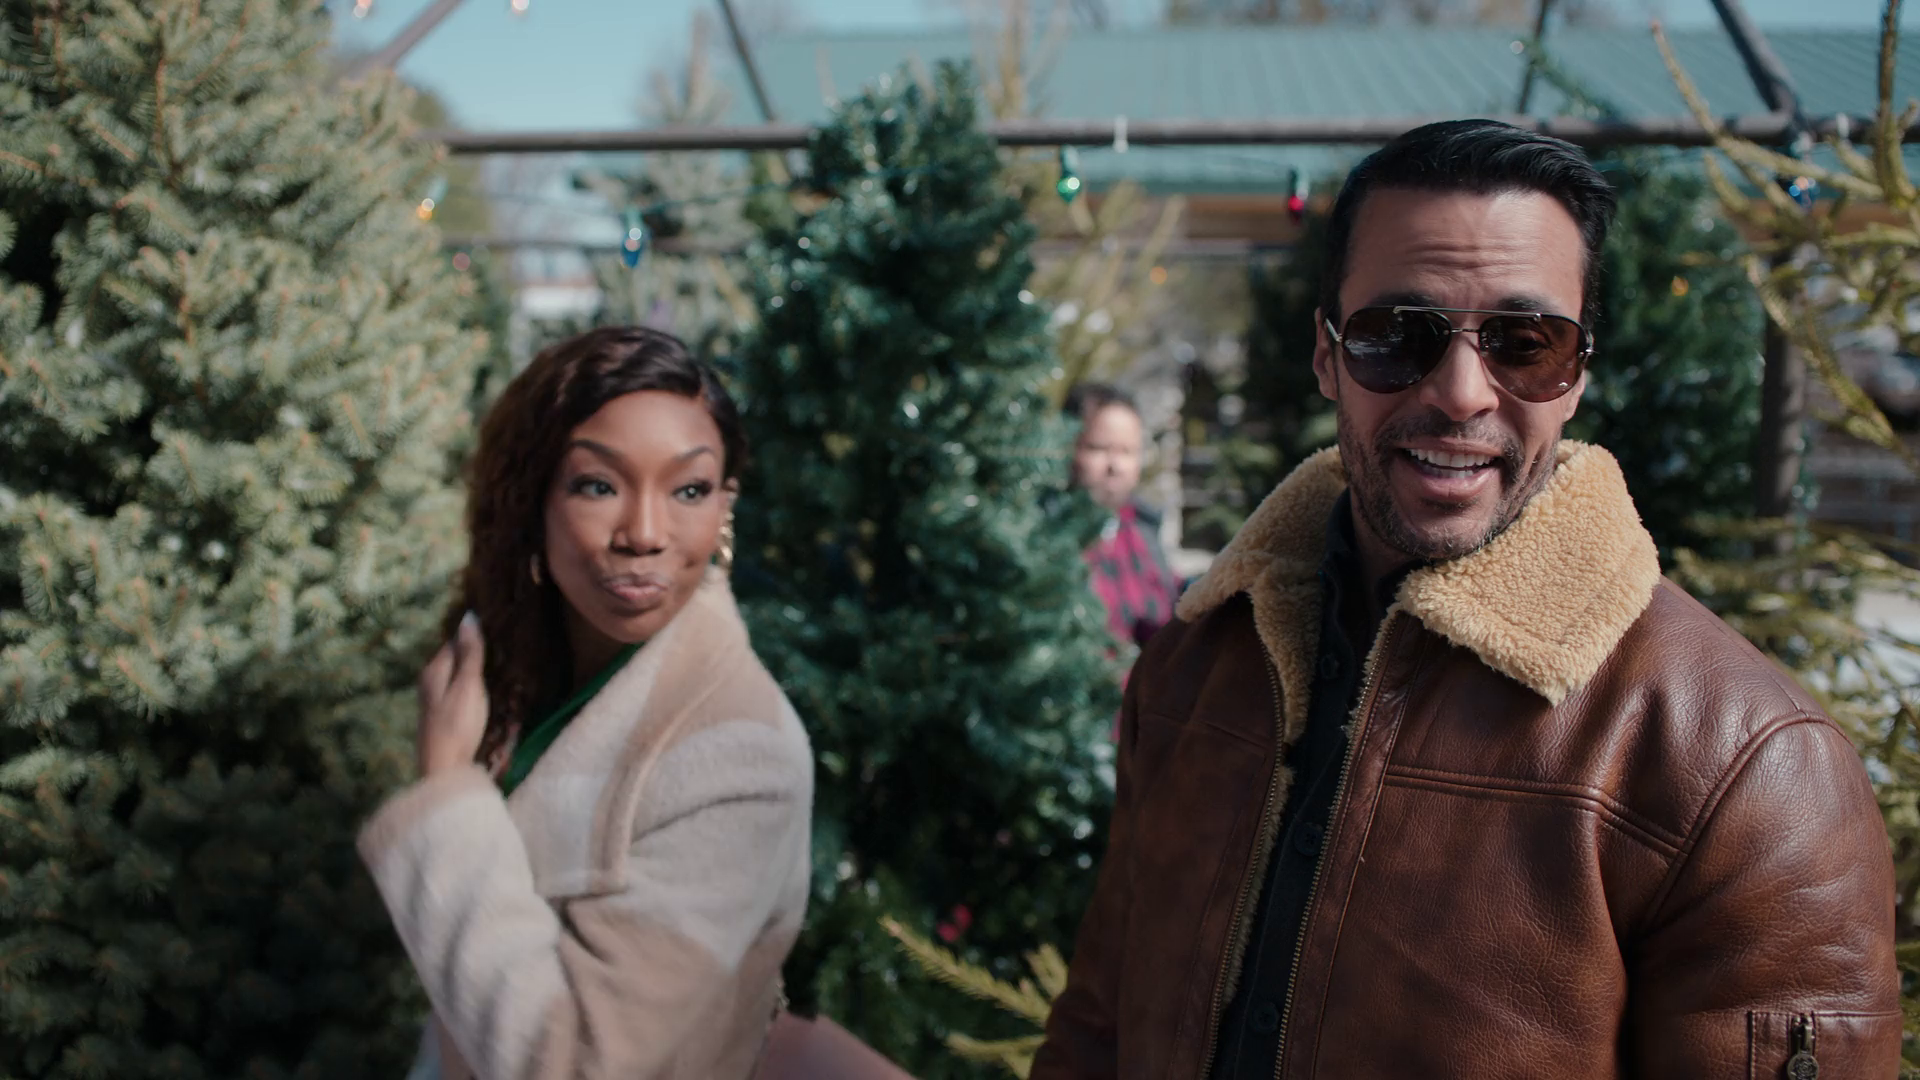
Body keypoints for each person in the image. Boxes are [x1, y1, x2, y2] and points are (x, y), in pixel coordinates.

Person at [1030, 120, 1899, 1079]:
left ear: (1577, 376)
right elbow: (1097, 1035)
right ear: (1326, 356)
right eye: (1398, 336)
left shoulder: (1743, 760)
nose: (1460, 393)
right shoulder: (1193, 670)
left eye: (1525, 343)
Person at [359, 327, 904, 1080]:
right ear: (532, 500)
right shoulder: (521, 673)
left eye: (689, 490)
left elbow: (577, 1066)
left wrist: (449, 793)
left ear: (725, 507)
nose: (645, 534)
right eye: (599, 486)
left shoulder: (741, 758)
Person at [1066, 382, 1184, 651]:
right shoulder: (1044, 535)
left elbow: (1170, 599)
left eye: (1127, 451)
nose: (1115, 466)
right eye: (1098, 448)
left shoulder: (1142, 528)